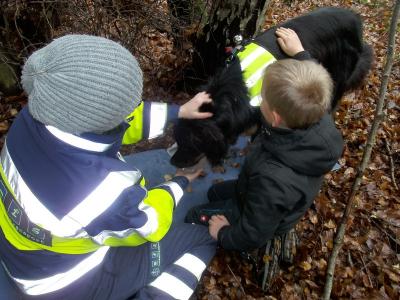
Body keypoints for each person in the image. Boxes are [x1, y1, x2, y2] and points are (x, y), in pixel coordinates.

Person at [0, 34, 216, 300]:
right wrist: (179, 183)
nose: (133, 109)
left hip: (26, 255)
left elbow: (119, 121)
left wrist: (178, 112)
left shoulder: (34, 116)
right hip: (60, 284)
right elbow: (149, 224)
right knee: (200, 240)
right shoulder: (102, 190)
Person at [185, 28, 344, 252]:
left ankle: (210, 227)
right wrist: (300, 54)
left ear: (275, 117)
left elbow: (253, 234)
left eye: (263, 98)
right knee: (213, 193)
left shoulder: (273, 179)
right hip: (254, 187)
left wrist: (223, 233)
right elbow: (314, 86)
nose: (259, 101)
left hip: (254, 212)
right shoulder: (317, 114)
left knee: (193, 214)